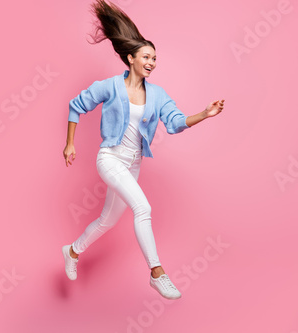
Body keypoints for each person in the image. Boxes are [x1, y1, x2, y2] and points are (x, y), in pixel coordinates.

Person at [62, 0, 224, 300]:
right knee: (143, 208)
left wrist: (204, 113)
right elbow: (76, 105)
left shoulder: (158, 94)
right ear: (131, 58)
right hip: (110, 158)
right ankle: (157, 273)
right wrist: (70, 143)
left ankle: (72, 251)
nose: (152, 62)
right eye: (147, 56)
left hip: (133, 164)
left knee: (107, 221)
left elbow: (175, 123)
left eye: (155, 58)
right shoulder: (110, 86)